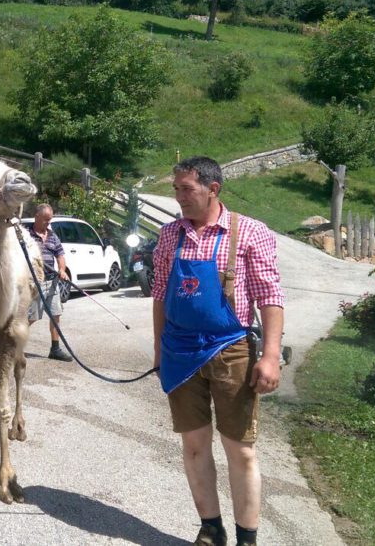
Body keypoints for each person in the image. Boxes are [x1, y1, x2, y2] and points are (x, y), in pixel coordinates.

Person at [152, 156, 284, 546]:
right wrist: (159, 351)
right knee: (194, 446)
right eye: (176, 189)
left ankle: (247, 537)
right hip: (179, 351)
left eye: (187, 190)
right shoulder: (169, 235)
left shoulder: (249, 232)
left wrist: (270, 355)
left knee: (240, 450)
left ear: (213, 189)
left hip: (231, 350)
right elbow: (160, 295)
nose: (179, 198)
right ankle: (211, 528)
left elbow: (270, 296)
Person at [27, 203, 71, 362]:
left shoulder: (52, 235)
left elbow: (60, 255)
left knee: (55, 315)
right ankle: (13, 344)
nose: (48, 223)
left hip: (51, 282)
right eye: (46, 219)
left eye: (50, 220)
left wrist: (61, 269)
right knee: (31, 318)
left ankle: (55, 349)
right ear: (37, 217)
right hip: (33, 283)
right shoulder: (27, 234)